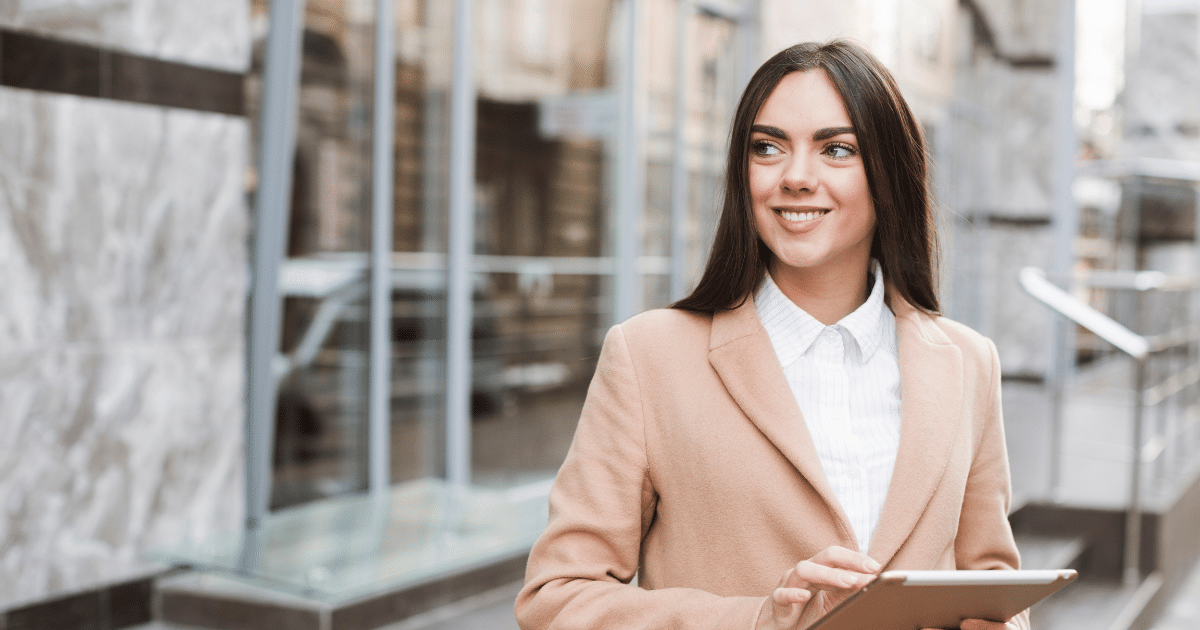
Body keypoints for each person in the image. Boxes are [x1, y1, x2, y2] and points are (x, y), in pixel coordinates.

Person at [515, 40, 1027, 630]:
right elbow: (557, 596)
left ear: (890, 174)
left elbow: (991, 583)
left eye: (836, 149)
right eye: (768, 148)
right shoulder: (648, 356)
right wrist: (755, 620)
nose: (796, 178)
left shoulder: (968, 363)